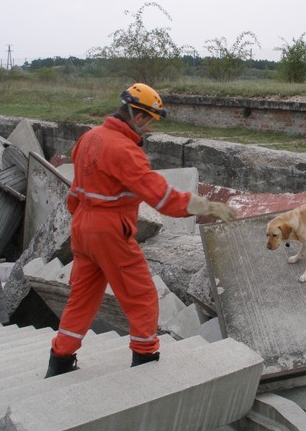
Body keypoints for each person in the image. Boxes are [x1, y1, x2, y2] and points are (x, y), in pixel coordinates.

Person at [45, 83, 236, 377]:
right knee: (143, 296)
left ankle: (59, 359)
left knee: (82, 298)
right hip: (109, 230)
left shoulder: (89, 138)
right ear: (139, 115)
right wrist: (209, 207)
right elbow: (164, 200)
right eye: (150, 122)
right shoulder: (125, 150)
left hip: (82, 226)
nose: (148, 130)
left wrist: (84, 223)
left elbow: (75, 190)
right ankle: (145, 362)